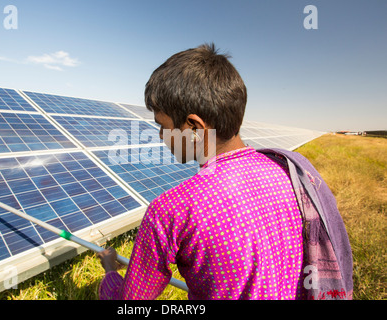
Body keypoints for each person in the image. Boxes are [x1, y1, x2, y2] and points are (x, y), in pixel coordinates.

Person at [97, 43, 306, 299]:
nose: (161, 136)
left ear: (194, 127)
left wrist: (110, 272)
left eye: (163, 126)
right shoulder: (289, 173)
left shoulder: (171, 210)